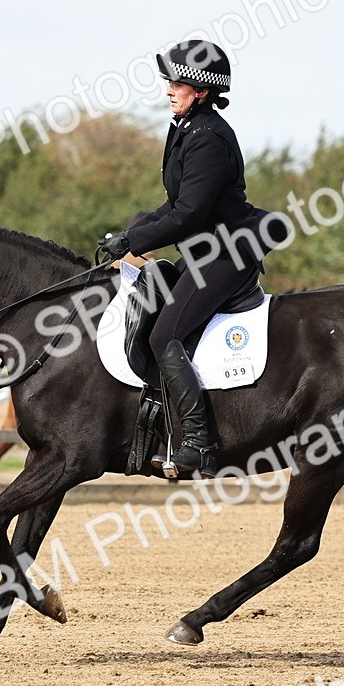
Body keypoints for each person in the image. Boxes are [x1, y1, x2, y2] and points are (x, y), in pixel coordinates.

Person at [97, 39, 290, 479]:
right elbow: (174, 205)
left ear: (200, 90)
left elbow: (189, 214)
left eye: (177, 82)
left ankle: (199, 441)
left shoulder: (209, 138)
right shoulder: (186, 129)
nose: (169, 89)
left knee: (165, 335)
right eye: (170, 81)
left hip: (227, 253)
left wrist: (135, 237)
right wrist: (130, 236)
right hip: (203, 250)